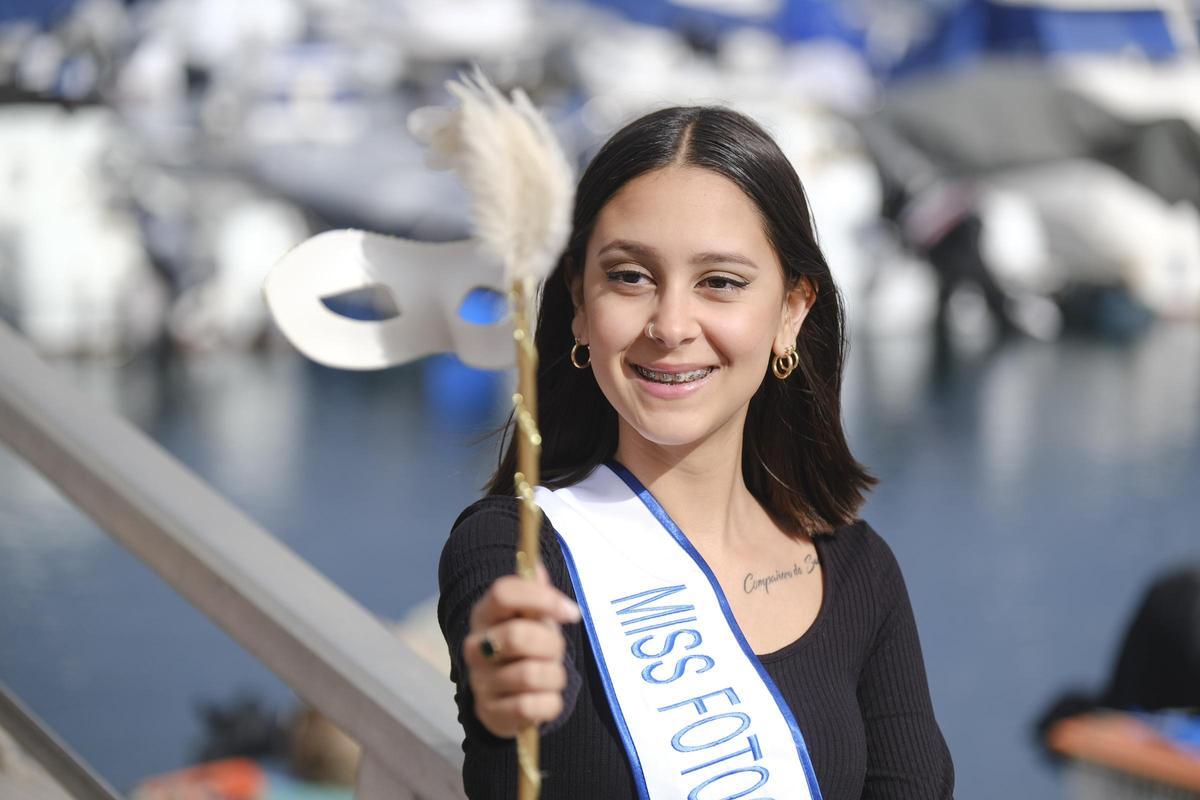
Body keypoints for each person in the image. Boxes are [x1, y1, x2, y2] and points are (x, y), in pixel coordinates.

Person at [438, 106, 954, 799]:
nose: (672, 326)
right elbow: (500, 679)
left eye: (721, 282)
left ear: (792, 312)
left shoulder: (861, 573)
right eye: (629, 276)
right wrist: (501, 679)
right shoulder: (518, 548)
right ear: (580, 305)